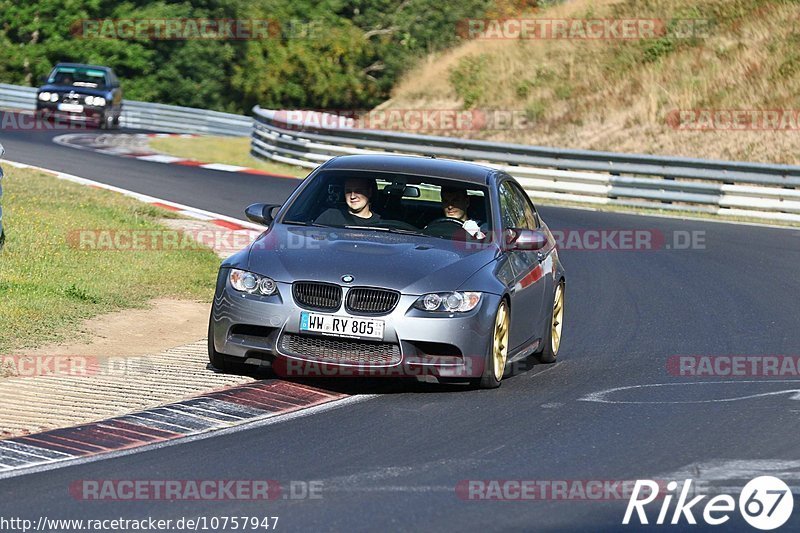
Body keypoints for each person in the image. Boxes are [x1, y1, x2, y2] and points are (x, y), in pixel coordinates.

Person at [315, 177, 381, 226]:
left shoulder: (380, 224)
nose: (352, 196)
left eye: (358, 191)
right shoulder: (329, 216)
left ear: (369, 192)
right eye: (348, 192)